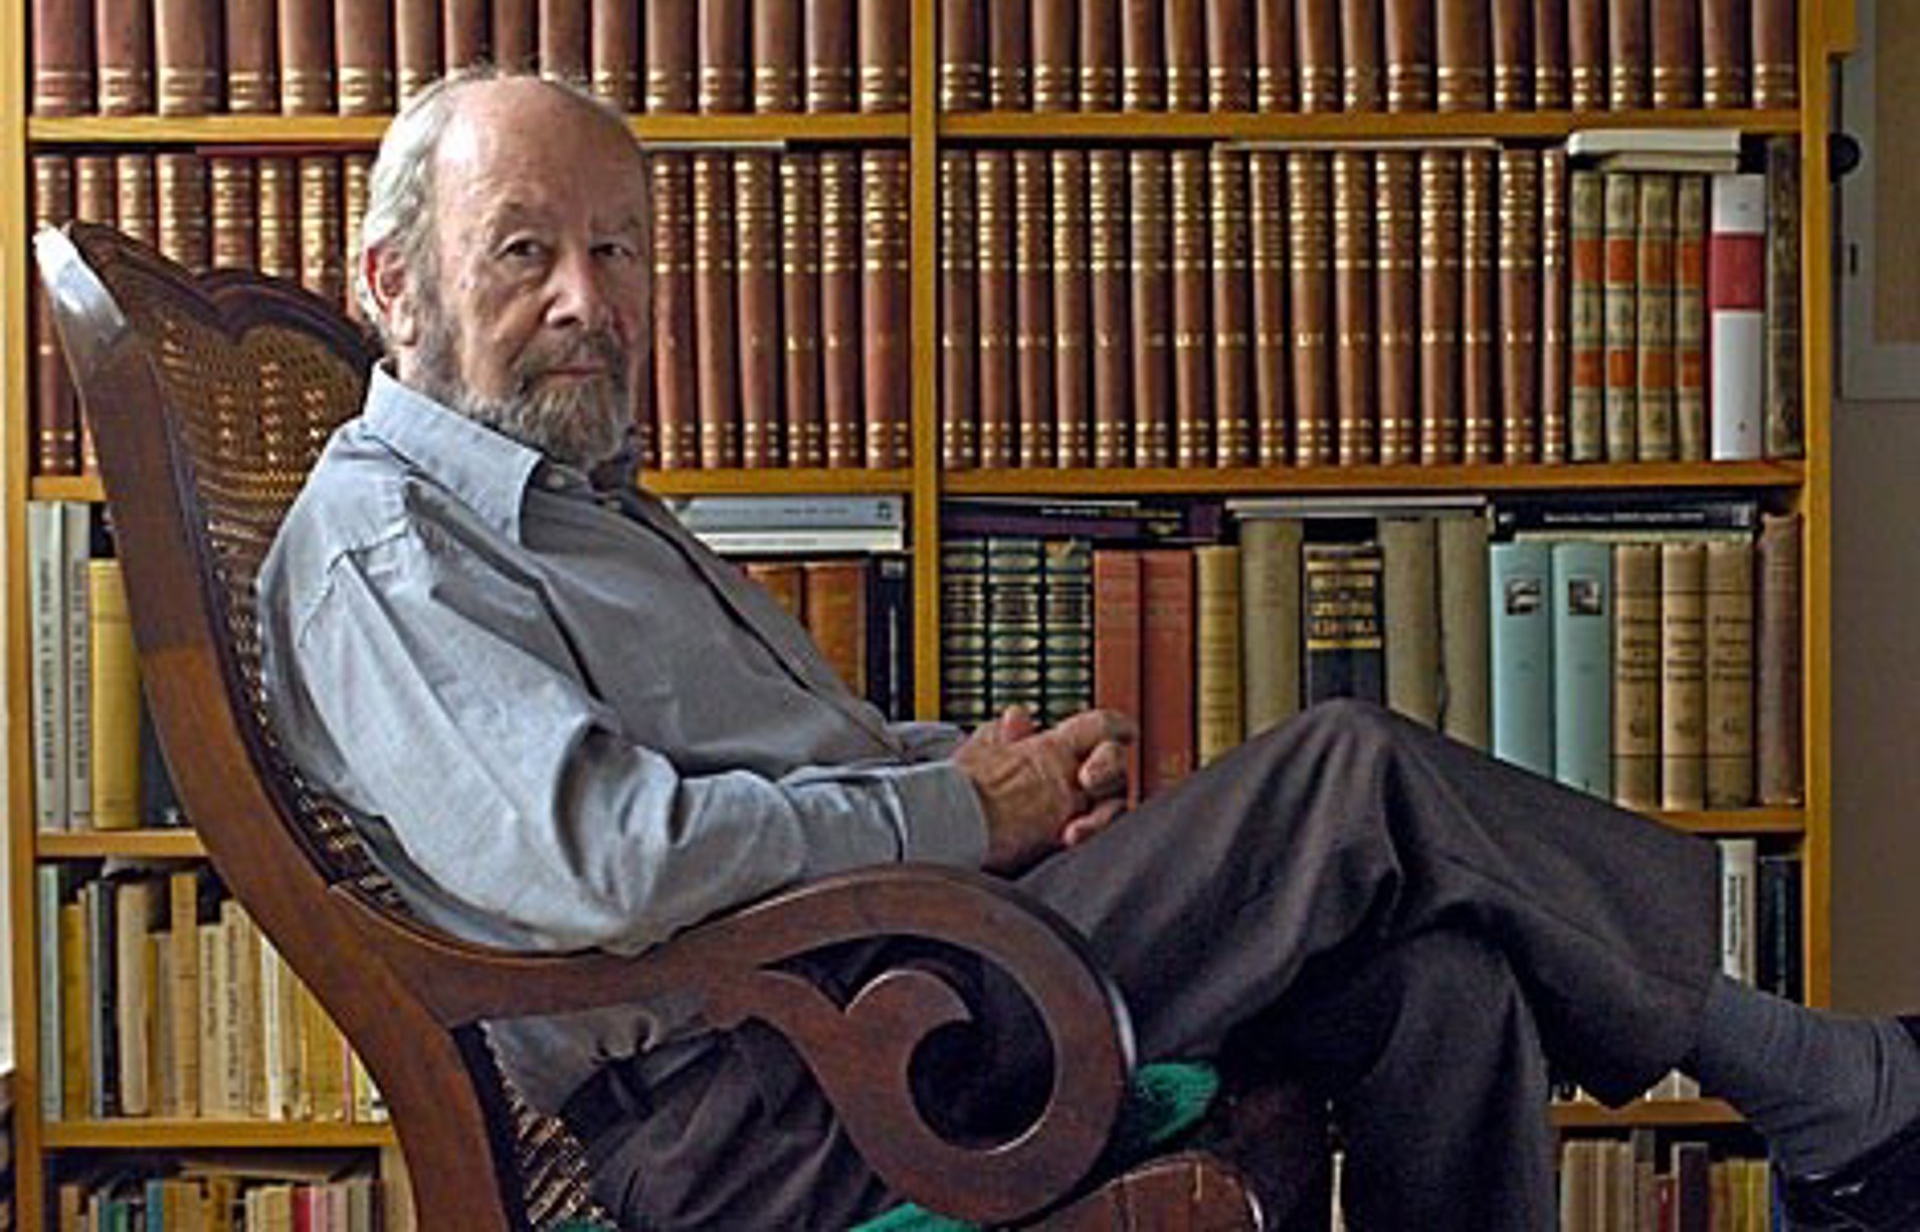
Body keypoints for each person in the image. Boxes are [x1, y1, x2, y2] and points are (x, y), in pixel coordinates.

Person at [256, 68, 1920, 1231]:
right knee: (1348, 778)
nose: (587, 296)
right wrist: (960, 815)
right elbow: (613, 863)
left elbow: (775, 765)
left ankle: (1832, 1097)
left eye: (618, 246)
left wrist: (978, 770)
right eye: (526, 247)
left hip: (887, 979)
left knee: (1443, 981)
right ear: (394, 283)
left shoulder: (583, 507)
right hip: (779, 1090)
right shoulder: (388, 546)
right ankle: (1827, 1086)